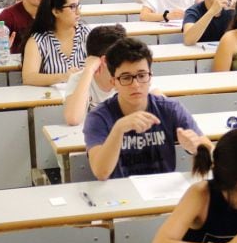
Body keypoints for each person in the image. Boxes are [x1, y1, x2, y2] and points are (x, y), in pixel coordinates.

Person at [85, 38, 210, 179]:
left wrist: (196, 147)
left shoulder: (170, 109)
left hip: (163, 193)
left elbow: (210, 151)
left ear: (150, 77)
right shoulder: (99, 117)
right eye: (126, 78)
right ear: (114, 82)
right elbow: (101, 172)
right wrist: (119, 128)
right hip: (121, 195)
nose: (136, 85)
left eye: (142, 75)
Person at [23, 0, 89, 86]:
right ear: (56, 12)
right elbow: (28, 77)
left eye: (78, 6)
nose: (78, 12)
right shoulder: (39, 40)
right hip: (51, 99)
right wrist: (63, 77)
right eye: (72, 7)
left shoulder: (86, 34)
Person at [64, 24, 128, 126]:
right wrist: (88, 70)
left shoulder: (131, 76)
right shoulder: (80, 78)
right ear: (105, 60)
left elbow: (159, 106)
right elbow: (73, 119)